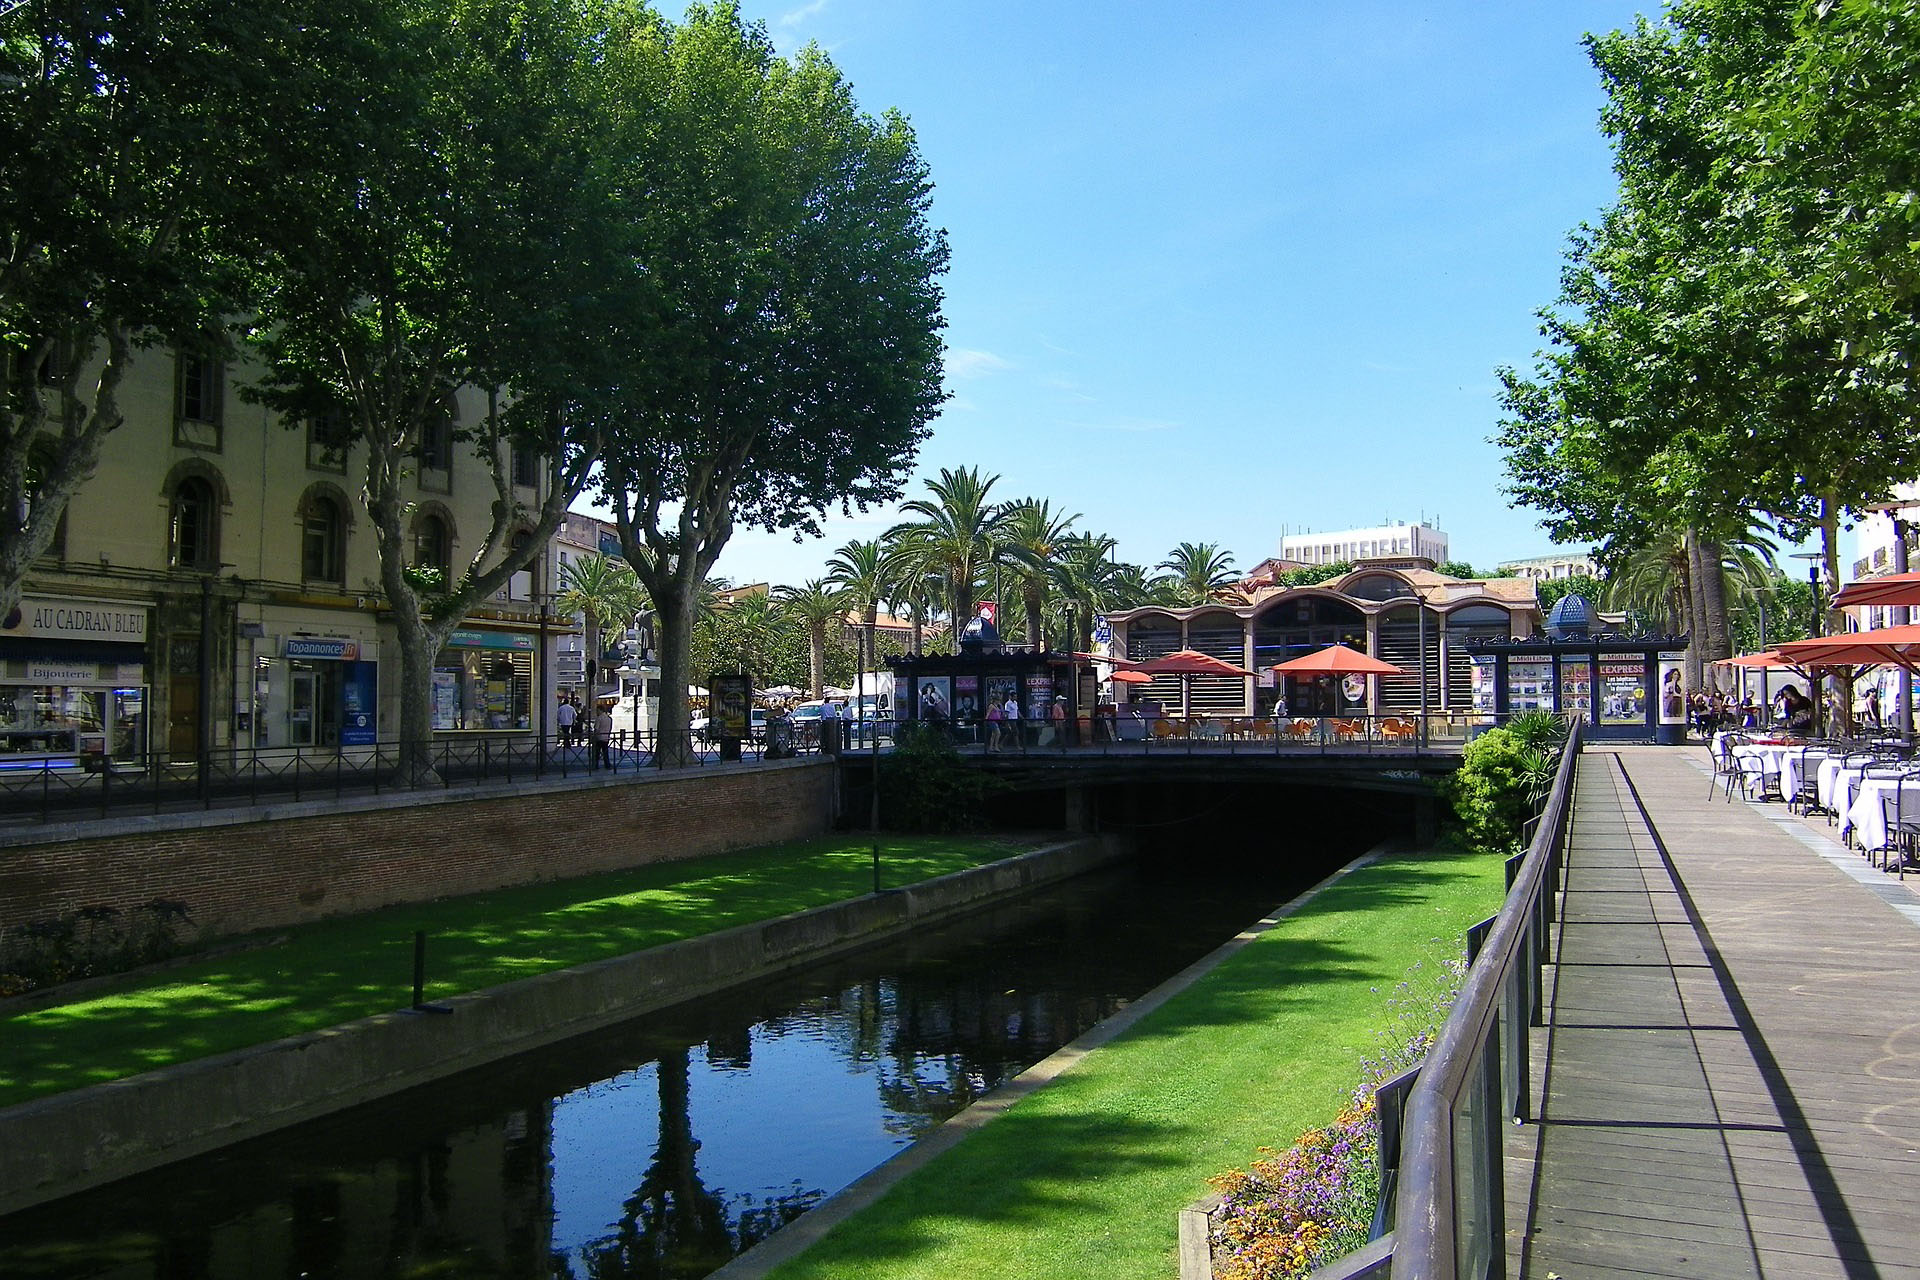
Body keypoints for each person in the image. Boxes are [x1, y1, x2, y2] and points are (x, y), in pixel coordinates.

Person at [591, 698, 614, 768]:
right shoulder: (609, 718)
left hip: (599, 737)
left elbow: (596, 729)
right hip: (606, 737)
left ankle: (595, 765)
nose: (596, 712)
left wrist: (594, 736)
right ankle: (607, 764)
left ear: (600, 710)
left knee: (597, 753)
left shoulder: (599, 718)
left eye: (597, 710)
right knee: (605, 752)